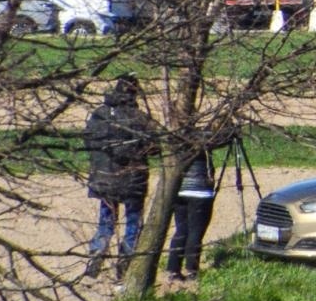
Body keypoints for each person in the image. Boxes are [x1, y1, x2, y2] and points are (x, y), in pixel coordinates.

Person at [83, 75, 153, 280]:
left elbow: (88, 142)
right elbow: (154, 146)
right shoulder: (139, 118)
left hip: (104, 178)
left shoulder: (99, 114)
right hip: (133, 181)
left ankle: (98, 250)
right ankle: (126, 259)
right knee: (133, 221)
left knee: (106, 221)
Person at [164, 139, 218, 283]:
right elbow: (222, 138)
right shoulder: (200, 137)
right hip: (200, 190)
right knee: (195, 232)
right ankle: (192, 270)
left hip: (179, 189)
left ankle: (173, 269)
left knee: (181, 230)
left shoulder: (173, 137)